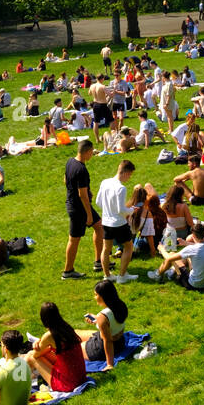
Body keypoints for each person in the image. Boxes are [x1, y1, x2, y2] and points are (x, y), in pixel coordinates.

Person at [25, 302, 87, 394]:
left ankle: (23, 382)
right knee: (44, 353)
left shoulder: (50, 336)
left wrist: (39, 344)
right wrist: (40, 342)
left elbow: (35, 355)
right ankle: (29, 377)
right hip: (80, 377)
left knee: (30, 356)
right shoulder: (66, 327)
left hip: (68, 384)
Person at [62, 140, 102, 279]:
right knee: (74, 239)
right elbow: (82, 195)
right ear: (86, 152)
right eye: (92, 151)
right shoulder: (81, 169)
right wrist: (89, 215)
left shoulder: (70, 161)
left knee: (99, 227)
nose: (92, 154)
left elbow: (65, 180)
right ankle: (68, 271)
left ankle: (98, 262)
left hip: (73, 204)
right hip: (79, 208)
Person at [94, 159, 138, 283]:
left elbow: (98, 202)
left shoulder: (105, 182)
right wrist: (132, 210)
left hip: (106, 222)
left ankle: (107, 276)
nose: (129, 178)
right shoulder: (121, 188)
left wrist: (108, 210)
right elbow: (121, 210)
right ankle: (122, 276)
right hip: (119, 223)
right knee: (128, 247)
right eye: (129, 175)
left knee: (106, 249)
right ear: (124, 172)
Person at [77, 280, 130, 371]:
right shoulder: (120, 305)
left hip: (102, 348)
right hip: (120, 342)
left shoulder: (103, 317)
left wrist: (110, 364)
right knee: (76, 333)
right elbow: (113, 323)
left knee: (75, 348)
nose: (94, 297)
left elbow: (108, 341)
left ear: (104, 296)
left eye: (96, 294)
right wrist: (97, 319)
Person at [149, 221, 204, 289]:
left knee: (172, 254)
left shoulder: (192, 249)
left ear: (193, 236)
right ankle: (172, 271)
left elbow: (169, 258)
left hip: (193, 284)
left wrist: (161, 249)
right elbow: (200, 246)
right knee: (187, 257)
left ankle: (157, 275)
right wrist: (185, 243)